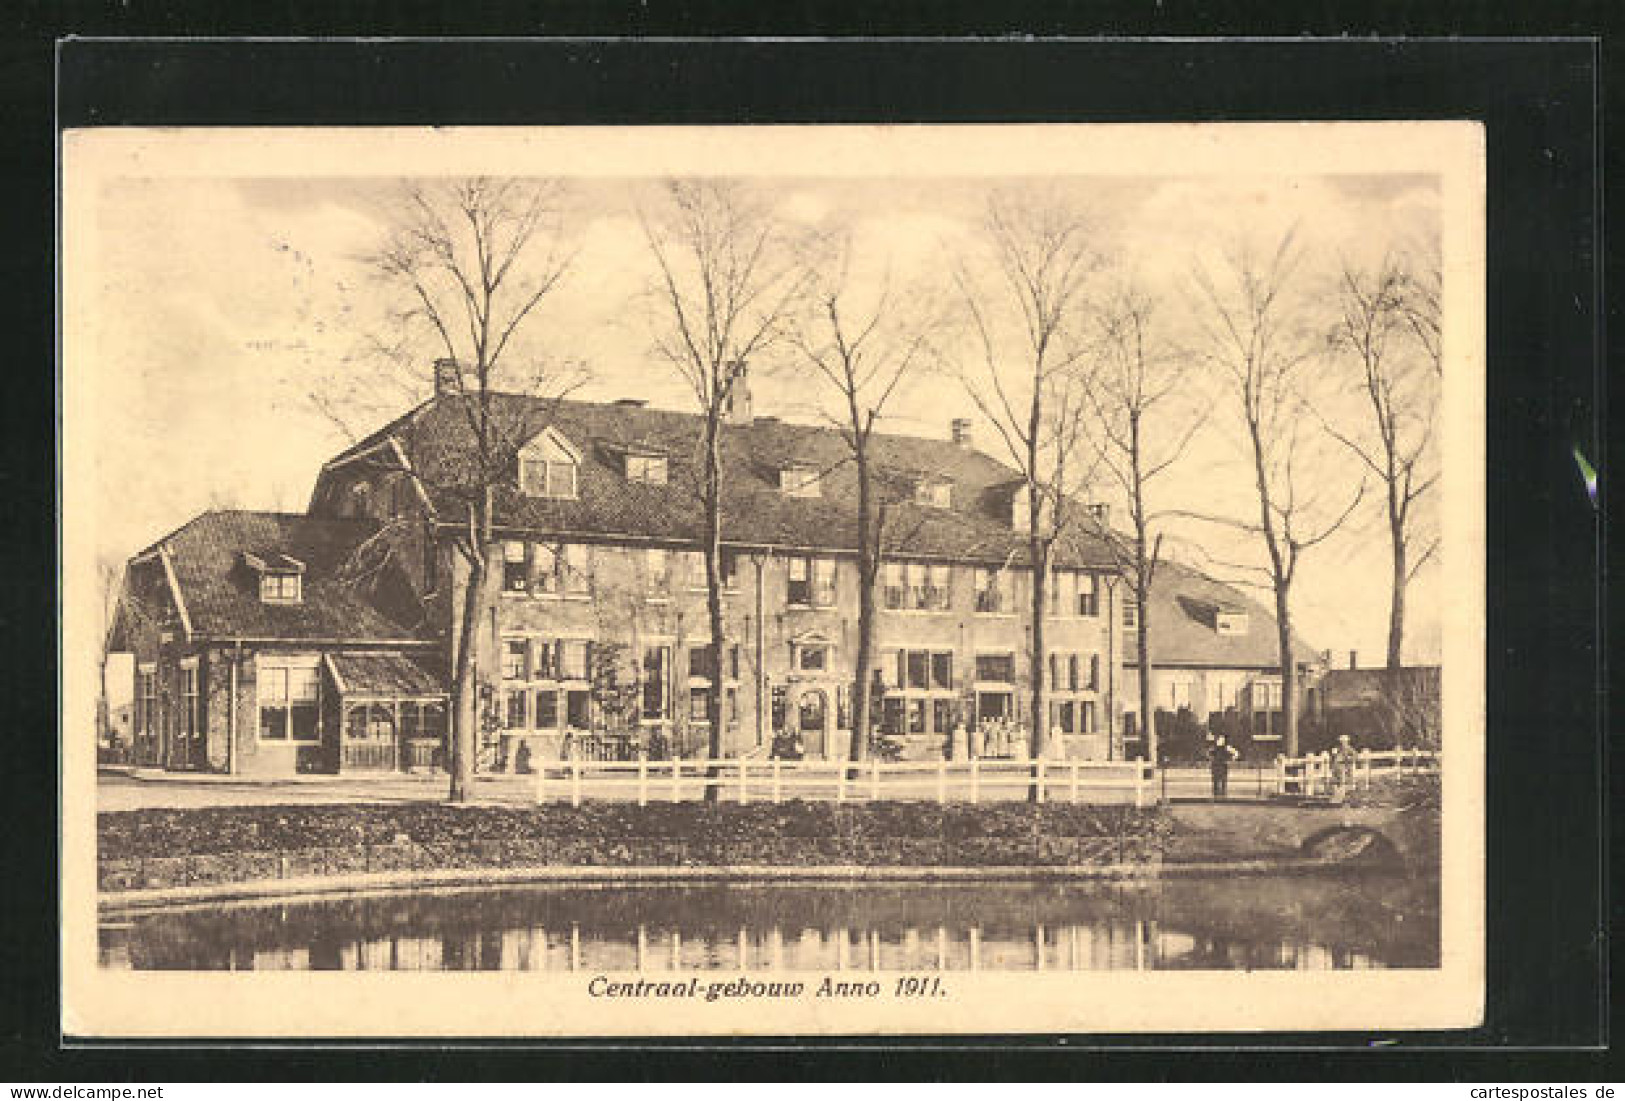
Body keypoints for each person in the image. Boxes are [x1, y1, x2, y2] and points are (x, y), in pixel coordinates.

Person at [1208, 734, 1239, 800]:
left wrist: (1232, 758)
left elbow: (1236, 753)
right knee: (1215, 780)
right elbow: (1208, 754)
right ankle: (1215, 795)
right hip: (1215, 765)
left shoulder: (1226, 747)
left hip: (1223, 765)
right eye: (1220, 739)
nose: (1221, 741)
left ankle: (1223, 795)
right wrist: (1211, 759)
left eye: (1222, 739)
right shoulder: (1214, 747)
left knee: (1223, 780)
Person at [1330, 734, 1358, 801]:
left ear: (1347, 742)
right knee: (1335, 781)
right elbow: (1333, 758)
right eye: (1341, 741)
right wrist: (1333, 755)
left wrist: (1348, 759)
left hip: (1344, 766)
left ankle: (1341, 796)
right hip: (1336, 766)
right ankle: (1336, 796)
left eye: (1344, 741)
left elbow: (1355, 756)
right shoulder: (1337, 748)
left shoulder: (1349, 749)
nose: (1343, 743)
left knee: (1342, 781)